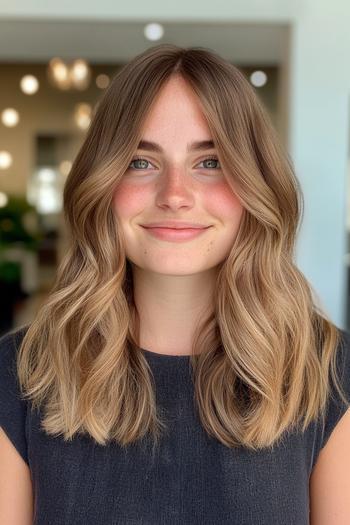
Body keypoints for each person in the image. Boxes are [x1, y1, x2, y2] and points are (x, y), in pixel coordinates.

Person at [1, 43, 350, 525]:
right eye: (141, 162)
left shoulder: (331, 371)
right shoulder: (19, 375)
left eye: (210, 163)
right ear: (101, 183)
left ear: (255, 184)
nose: (175, 195)